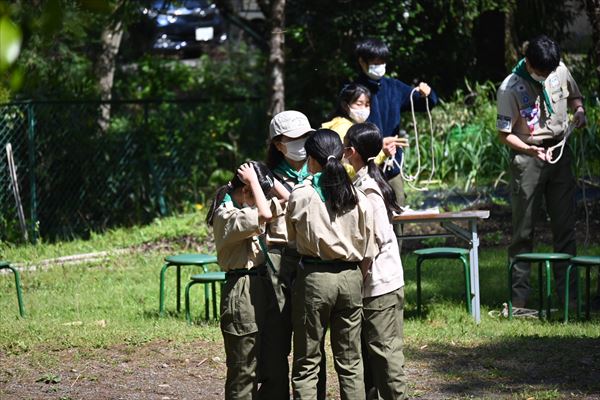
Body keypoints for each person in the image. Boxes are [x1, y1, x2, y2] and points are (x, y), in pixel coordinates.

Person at [496, 35, 587, 311]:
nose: (547, 76)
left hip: (560, 152)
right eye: (541, 72)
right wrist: (529, 150)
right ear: (529, 63)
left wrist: (580, 110)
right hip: (529, 156)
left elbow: (575, 96)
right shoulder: (510, 88)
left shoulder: (558, 69)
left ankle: (569, 298)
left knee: (565, 227)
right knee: (523, 230)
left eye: (550, 72)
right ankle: (520, 300)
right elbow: (504, 134)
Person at [286, 129, 378, 400]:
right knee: (351, 362)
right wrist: (354, 275)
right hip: (350, 278)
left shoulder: (302, 195)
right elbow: (368, 250)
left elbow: (292, 241)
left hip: (315, 278)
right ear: (341, 155)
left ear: (311, 161)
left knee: (307, 362)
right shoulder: (359, 197)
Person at [206, 161, 289, 399]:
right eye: (257, 194)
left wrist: (266, 180)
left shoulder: (247, 205)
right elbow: (264, 213)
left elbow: (290, 201)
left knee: (274, 363)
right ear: (245, 191)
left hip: (262, 284)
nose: (262, 199)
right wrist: (254, 181)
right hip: (242, 289)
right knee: (244, 369)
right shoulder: (227, 214)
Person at [344, 122, 408, 399]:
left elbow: (375, 242)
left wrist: (358, 277)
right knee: (370, 355)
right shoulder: (361, 182)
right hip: (372, 284)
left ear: (353, 151)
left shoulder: (370, 190)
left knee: (385, 354)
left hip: (380, 285)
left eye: (346, 147)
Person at [264, 110, 315, 397]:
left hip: (311, 260)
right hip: (277, 259)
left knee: (310, 340)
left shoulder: (321, 170)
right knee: (276, 336)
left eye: (306, 136)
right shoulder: (265, 178)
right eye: (294, 138)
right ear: (278, 144)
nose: (301, 143)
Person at [353, 38, 438, 207]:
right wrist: (375, 144)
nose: (379, 66)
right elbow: (344, 128)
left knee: (398, 209)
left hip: (391, 165)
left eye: (382, 62)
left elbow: (424, 103)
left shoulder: (394, 87)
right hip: (362, 168)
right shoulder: (351, 91)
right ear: (362, 62)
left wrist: (427, 94)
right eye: (374, 63)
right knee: (366, 215)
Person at [321, 83, 406, 178]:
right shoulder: (342, 127)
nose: (364, 109)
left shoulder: (350, 124)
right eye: (359, 104)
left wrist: (381, 145)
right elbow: (345, 168)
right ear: (345, 105)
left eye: (367, 104)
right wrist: (383, 154)